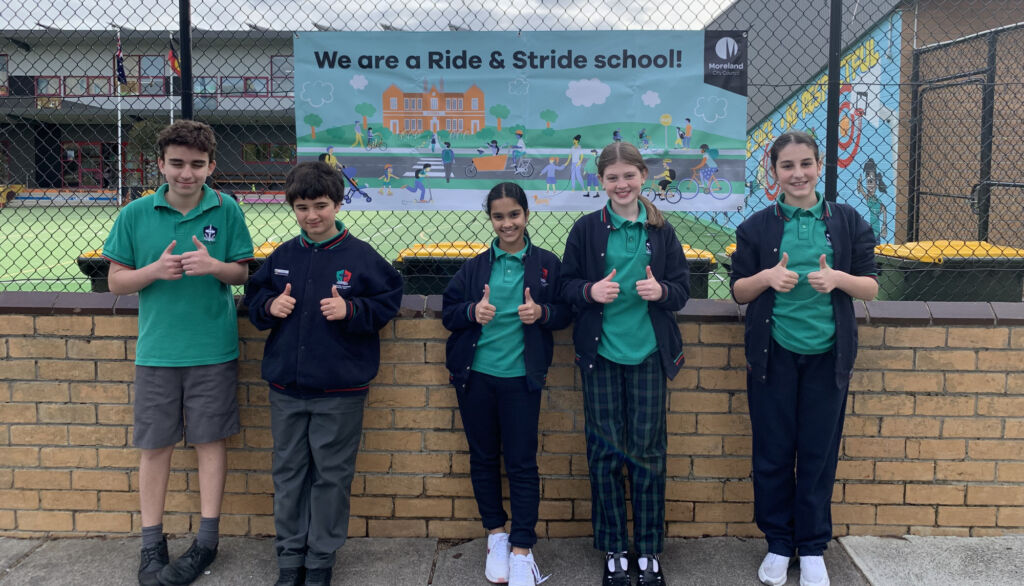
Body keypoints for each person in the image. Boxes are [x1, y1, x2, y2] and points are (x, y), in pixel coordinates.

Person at [102, 120, 254, 586]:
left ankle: (207, 539)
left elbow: (243, 273)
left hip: (213, 349)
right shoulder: (135, 214)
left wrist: (214, 267)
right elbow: (116, 282)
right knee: (155, 448)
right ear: (161, 164)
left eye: (196, 165)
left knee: (210, 442)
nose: (186, 174)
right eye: (177, 164)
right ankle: (152, 544)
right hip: (158, 353)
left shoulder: (226, 209)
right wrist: (151, 271)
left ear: (211, 165)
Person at [244, 161, 403, 586]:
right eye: (302, 207)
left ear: (337, 203)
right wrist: (267, 307)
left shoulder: (361, 256)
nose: (312, 216)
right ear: (291, 208)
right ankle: (290, 558)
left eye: (320, 205)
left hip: (340, 390)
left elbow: (389, 300)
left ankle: (320, 561)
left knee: (331, 476)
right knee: (289, 472)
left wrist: (351, 310)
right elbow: (254, 296)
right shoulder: (283, 255)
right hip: (286, 388)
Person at [729, 131, 877, 586]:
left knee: (818, 453)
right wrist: (767, 277)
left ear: (819, 167)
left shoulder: (849, 221)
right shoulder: (756, 227)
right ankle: (778, 542)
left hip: (828, 358)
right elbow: (738, 291)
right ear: (774, 172)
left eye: (806, 164)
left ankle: (811, 546)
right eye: (787, 166)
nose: (798, 174)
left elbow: (870, 286)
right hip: (772, 357)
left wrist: (838, 279)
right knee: (773, 452)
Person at [558, 141, 690, 586]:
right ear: (601, 182)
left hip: (649, 354)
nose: (621, 184)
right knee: (605, 453)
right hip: (601, 357)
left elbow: (682, 289)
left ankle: (649, 550)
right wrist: (589, 292)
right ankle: (615, 547)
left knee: (649, 454)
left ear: (643, 176)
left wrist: (664, 293)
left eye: (629, 175)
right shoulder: (586, 230)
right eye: (612, 178)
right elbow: (565, 286)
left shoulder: (662, 230)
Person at [442, 182, 571, 586]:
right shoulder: (476, 265)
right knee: (482, 457)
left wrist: (543, 313)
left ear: (526, 215)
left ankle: (521, 547)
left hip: (521, 380)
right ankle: (495, 534)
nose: (507, 223)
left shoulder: (547, 263)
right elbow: (448, 312)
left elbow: (566, 311)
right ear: (491, 219)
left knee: (521, 462)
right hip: (476, 378)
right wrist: (471, 311)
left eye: (514, 214)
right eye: (498, 216)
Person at [856, 157, 888, 244]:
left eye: (871, 181)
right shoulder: (869, 200)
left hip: (876, 233)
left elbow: (884, 211)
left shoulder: (878, 202)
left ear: (876, 183)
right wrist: (859, 184)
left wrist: (884, 227)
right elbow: (862, 191)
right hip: (868, 233)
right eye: (868, 182)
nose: (869, 185)